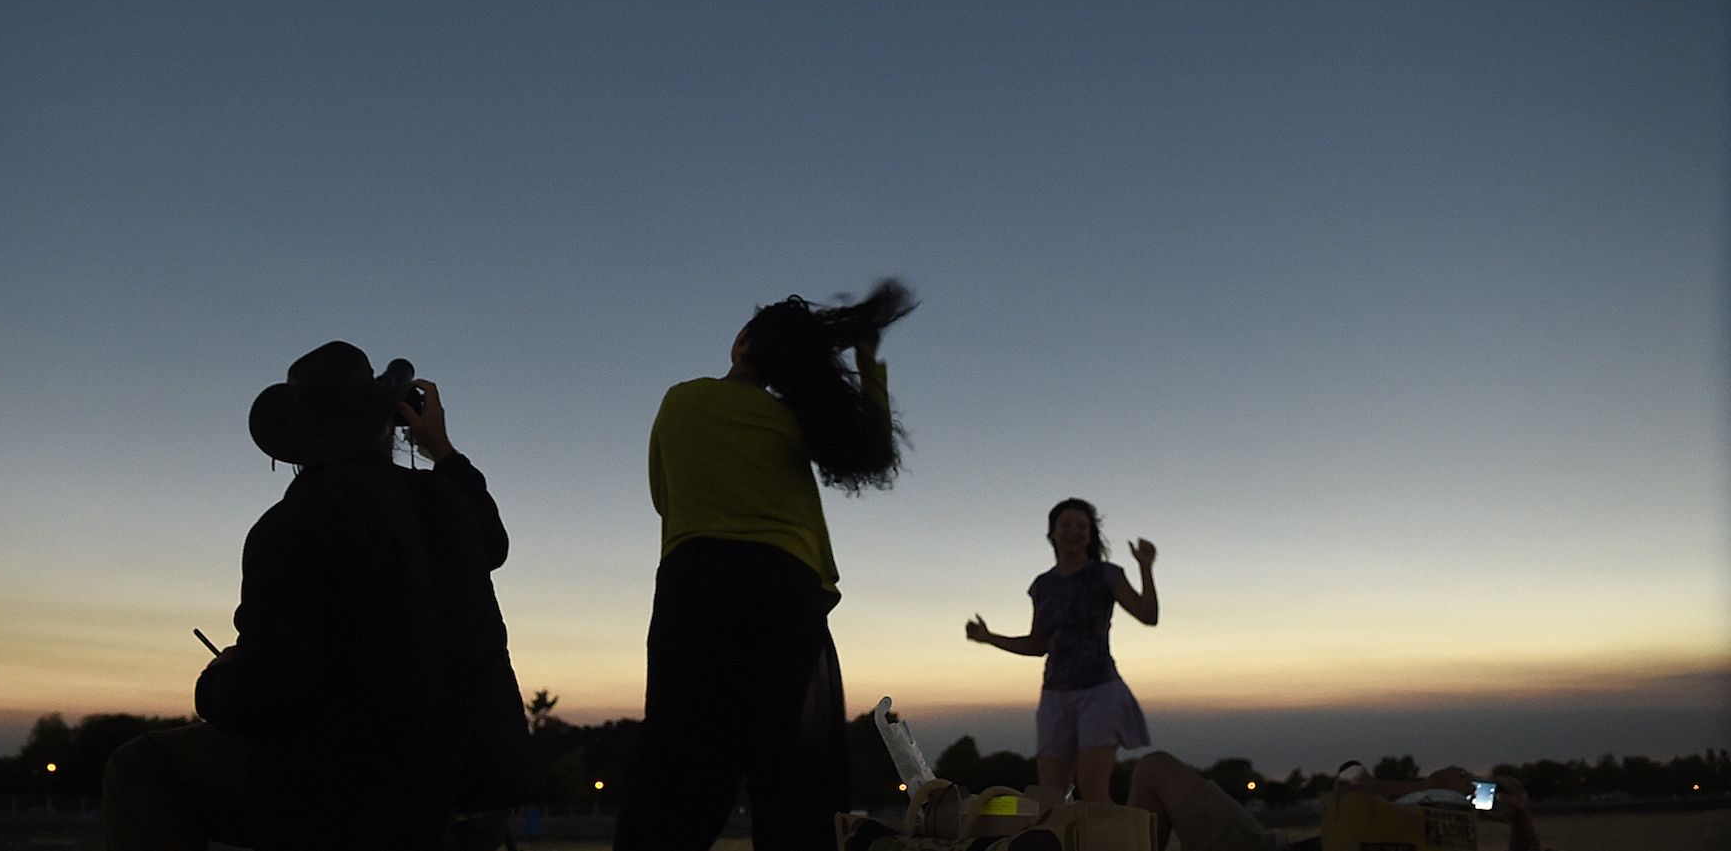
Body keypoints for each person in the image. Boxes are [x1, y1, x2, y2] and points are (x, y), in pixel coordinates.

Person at [102, 341, 538, 851]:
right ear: (388, 422)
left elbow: (270, 691)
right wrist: (441, 449)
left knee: (139, 767)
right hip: (480, 785)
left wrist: (218, 682)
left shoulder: (292, 525)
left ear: (299, 443)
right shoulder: (447, 500)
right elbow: (495, 543)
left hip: (369, 795)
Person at [614, 280, 917, 851]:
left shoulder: (681, 399)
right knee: (788, 768)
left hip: (694, 584)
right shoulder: (793, 421)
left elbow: (664, 494)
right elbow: (873, 450)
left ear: (743, 341)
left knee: (680, 758)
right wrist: (869, 363)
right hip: (785, 590)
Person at [965, 498, 1158, 803]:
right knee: (1050, 797)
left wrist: (1145, 568)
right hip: (1055, 695)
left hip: (1100, 691)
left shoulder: (1108, 574)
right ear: (1052, 533)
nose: (1074, 532)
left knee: (1092, 790)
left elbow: (1148, 616)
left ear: (1091, 535)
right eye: (1065, 525)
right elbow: (1038, 644)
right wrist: (989, 638)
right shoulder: (1042, 586)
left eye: (1082, 526)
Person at [1123, 749, 1545, 851]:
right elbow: (1346, 794)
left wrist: (1521, 818)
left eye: (1469, 780)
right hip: (1274, 844)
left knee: (1153, 768)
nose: (1467, 778)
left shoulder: (1450, 835)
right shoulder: (1414, 805)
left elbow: (1346, 794)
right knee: (1152, 767)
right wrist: (1428, 788)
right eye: (1465, 777)